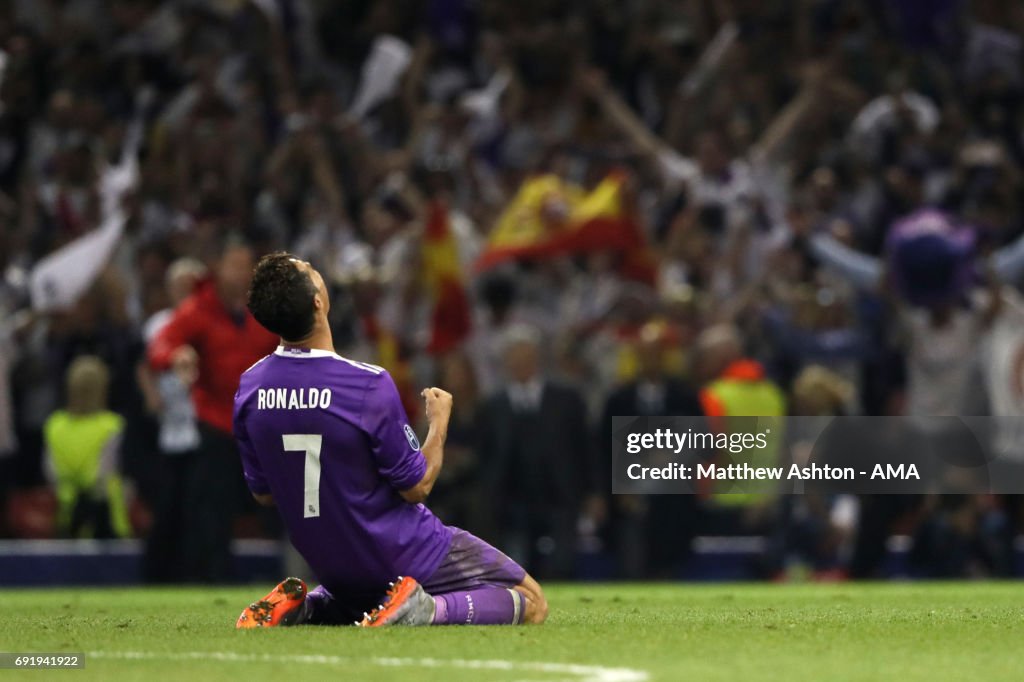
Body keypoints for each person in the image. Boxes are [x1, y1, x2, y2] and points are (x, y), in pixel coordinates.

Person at [234, 253, 547, 628]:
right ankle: (424, 609)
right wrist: (439, 422)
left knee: (364, 597)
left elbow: (263, 493)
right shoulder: (365, 383)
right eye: (313, 271)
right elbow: (417, 486)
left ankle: (308, 607)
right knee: (532, 601)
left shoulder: (250, 388)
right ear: (318, 300)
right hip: (403, 550)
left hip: (328, 563)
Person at [147, 238, 278, 582]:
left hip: (263, 425)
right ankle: (210, 580)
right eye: (235, 265)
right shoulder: (199, 309)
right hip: (217, 424)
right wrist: (176, 356)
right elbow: (162, 344)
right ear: (217, 268)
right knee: (210, 512)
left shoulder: (265, 308)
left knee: (286, 505)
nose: (243, 273)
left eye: (247, 265)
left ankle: (305, 578)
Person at [43, 355, 130, 539]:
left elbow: (50, 472)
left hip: (66, 513)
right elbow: (108, 471)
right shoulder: (112, 426)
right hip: (105, 517)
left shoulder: (54, 425)